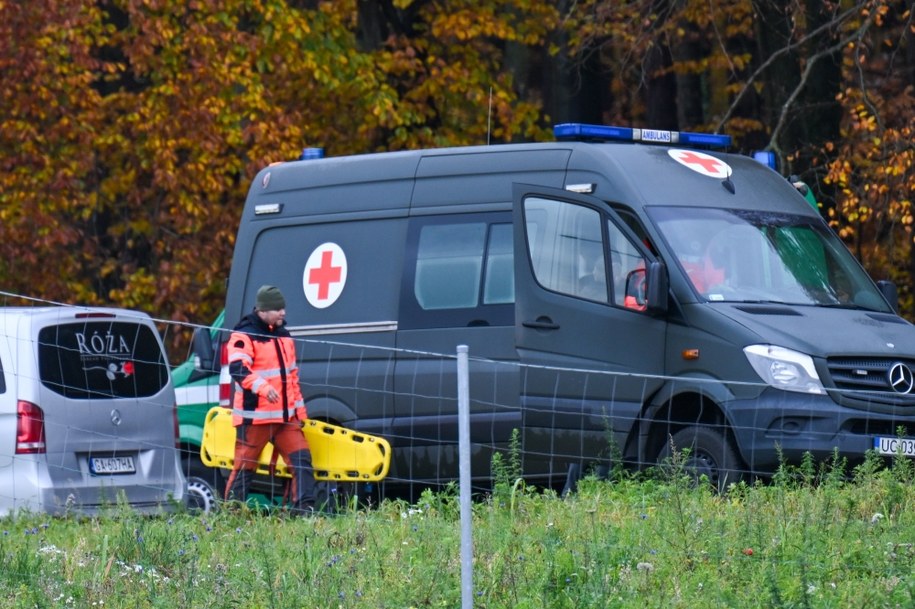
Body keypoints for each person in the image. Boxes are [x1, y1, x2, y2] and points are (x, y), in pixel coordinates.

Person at [224, 285, 317, 514]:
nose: (283, 313)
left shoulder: (284, 336)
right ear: (263, 311)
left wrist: (300, 414)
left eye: (283, 308)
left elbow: (292, 377)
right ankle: (231, 514)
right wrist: (263, 388)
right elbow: (238, 369)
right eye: (278, 309)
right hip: (254, 420)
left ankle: (304, 512)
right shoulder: (243, 335)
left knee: (302, 462)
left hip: (286, 420)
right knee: (245, 469)